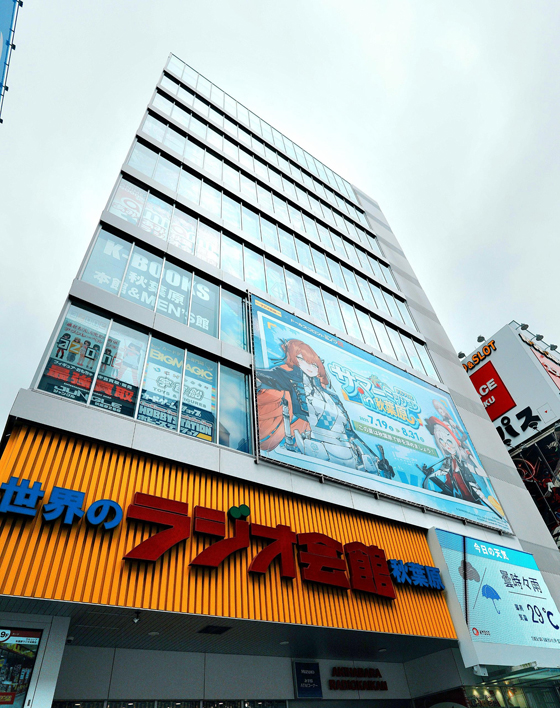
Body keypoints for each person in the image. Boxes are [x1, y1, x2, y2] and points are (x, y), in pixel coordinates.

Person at [256, 339, 383, 474]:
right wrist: (251, 372)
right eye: (303, 360)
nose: (310, 367)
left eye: (314, 364)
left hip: (347, 452)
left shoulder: (331, 396)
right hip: (318, 449)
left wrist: (376, 459)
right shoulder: (292, 381)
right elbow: (272, 377)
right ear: (295, 359)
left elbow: (350, 432)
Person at [422, 416, 504, 519]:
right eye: (441, 441)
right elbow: (442, 471)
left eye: (449, 441)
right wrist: (430, 474)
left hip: (476, 502)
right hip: (461, 503)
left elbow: (481, 473)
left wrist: (473, 460)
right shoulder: (449, 461)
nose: (446, 445)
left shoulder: (463, 462)